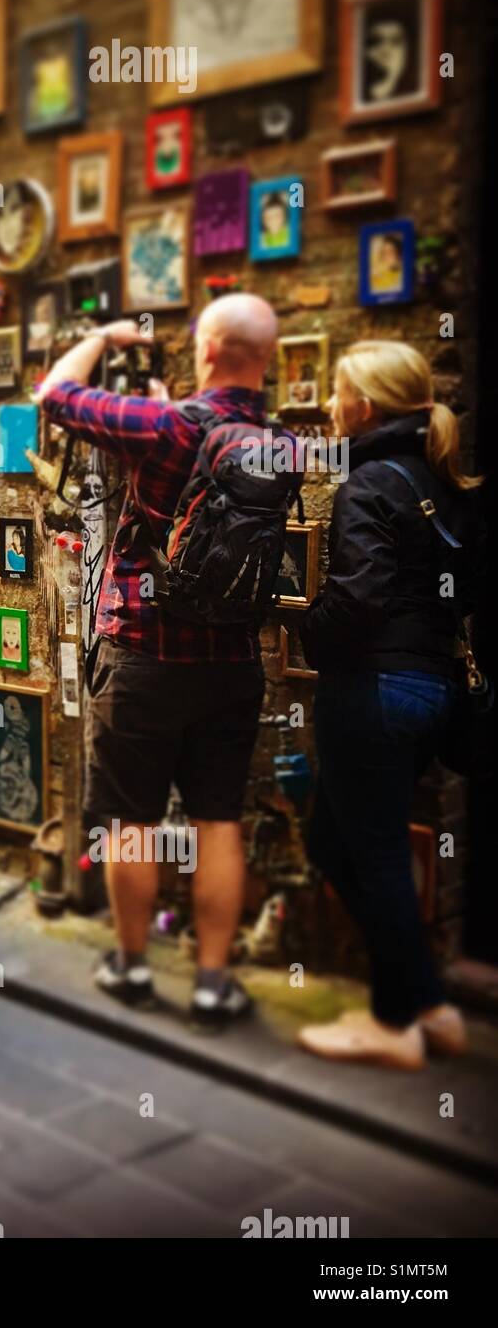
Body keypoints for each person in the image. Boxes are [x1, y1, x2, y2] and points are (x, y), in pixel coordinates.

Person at [34, 293, 281, 1028]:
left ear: (206, 349)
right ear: (264, 359)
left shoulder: (167, 429)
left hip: (143, 652)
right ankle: (210, 983)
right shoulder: (279, 442)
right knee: (218, 822)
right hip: (231, 662)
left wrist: (101, 336)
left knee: (133, 823)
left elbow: (55, 396)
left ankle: (133, 968)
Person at [298, 342, 482, 1070]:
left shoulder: (370, 480)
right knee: (333, 842)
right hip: (431, 689)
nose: (332, 409)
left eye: (340, 395)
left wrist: (302, 624)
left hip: (372, 692)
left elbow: (358, 600)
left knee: (371, 854)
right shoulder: (441, 481)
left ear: (365, 406)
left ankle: (396, 1022)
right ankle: (431, 1006)